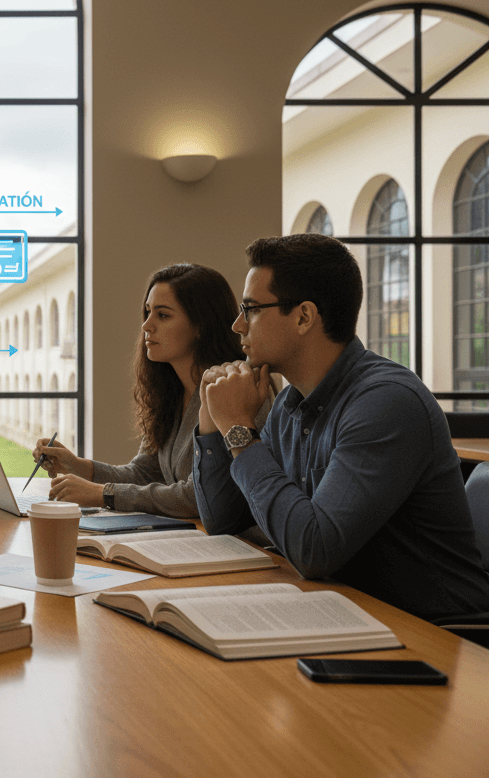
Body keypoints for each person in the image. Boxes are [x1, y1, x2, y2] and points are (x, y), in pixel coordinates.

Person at [195, 234, 489, 621]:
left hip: (439, 637)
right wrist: (211, 419)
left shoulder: (386, 402)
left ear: (303, 317)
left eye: (250, 309)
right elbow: (222, 520)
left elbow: (315, 550)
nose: (237, 325)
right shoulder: (289, 403)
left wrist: (238, 429)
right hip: (348, 611)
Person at [33, 263, 272, 518]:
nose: (146, 325)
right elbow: (144, 473)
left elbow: (198, 496)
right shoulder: (171, 392)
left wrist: (103, 493)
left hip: (241, 546)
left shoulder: (236, 386)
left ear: (201, 324)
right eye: (147, 312)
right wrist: (76, 465)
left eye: (163, 315)